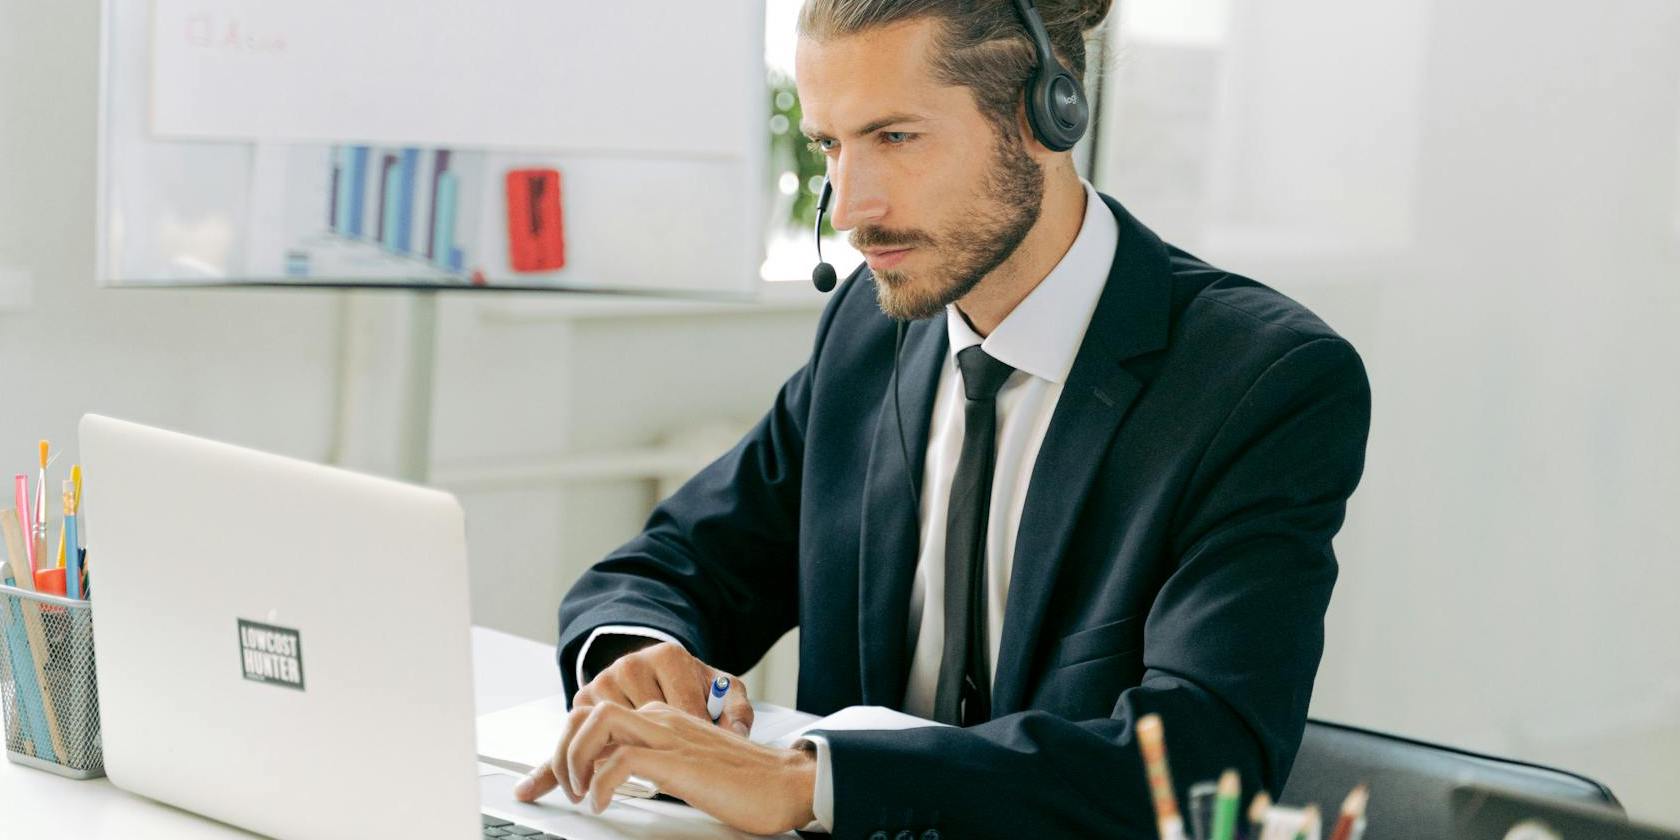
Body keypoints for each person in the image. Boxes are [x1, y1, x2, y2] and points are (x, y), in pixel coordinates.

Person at [513, 1, 1372, 837]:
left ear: (1046, 112)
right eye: (829, 146)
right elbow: (677, 563)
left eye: (895, 137)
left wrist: (813, 784)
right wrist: (639, 661)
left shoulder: (1261, 381)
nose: (848, 207)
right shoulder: (871, 329)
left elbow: (1198, 766)